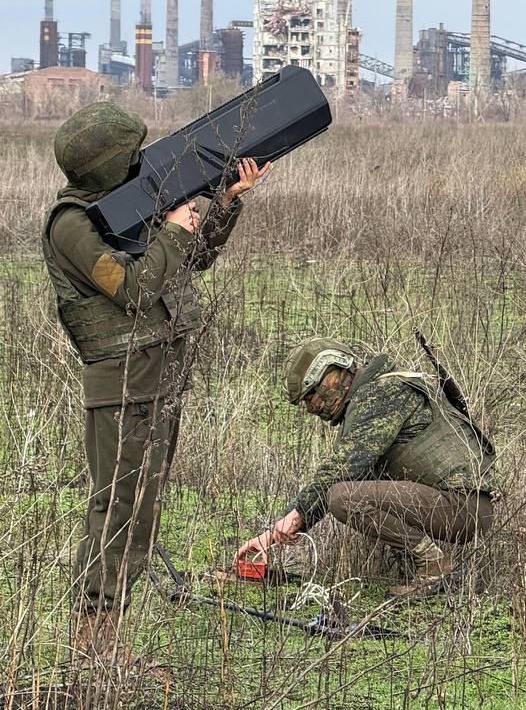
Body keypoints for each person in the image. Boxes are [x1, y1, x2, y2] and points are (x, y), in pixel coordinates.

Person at [44, 102, 266, 660]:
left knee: (142, 510)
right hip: (121, 382)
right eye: (129, 156)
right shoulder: (73, 226)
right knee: (119, 507)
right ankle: (94, 641)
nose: (140, 161)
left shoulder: (124, 208)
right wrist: (170, 229)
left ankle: (105, 639)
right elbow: (137, 290)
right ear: (105, 167)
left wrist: (222, 204)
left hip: (155, 376)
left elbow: (185, 265)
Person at [235, 337, 497, 596]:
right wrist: (280, 529)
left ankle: (435, 566)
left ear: (331, 378)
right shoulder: (373, 396)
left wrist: (289, 521)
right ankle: (424, 567)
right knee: (353, 491)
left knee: (343, 497)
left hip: (462, 508)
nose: (309, 409)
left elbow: (343, 468)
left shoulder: (382, 394)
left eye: (309, 397)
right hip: (456, 504)